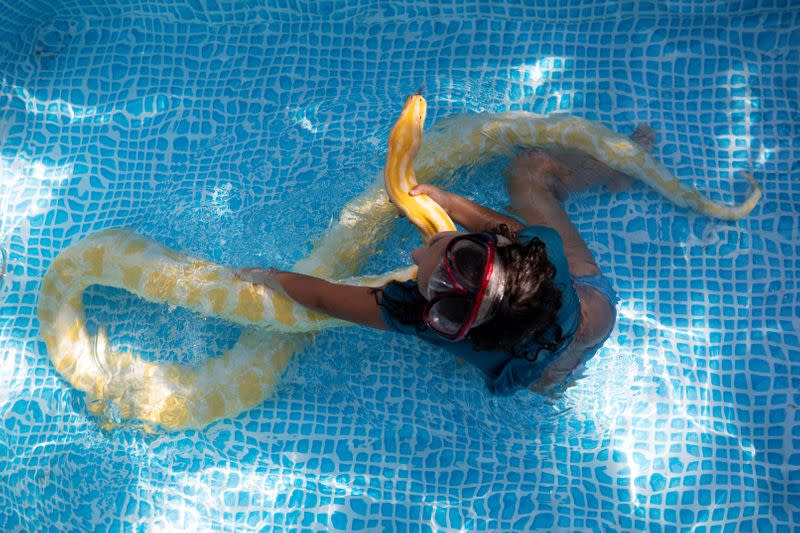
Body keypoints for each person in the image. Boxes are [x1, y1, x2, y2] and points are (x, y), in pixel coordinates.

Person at [237, 126, 655, 394]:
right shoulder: (542, 255)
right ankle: (614, 172)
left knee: (535, 370)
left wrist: (268, 276)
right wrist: (452, 202)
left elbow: (328, 299)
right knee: (529, 171)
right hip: (581, 317)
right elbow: (505, 226)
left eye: (423, 259)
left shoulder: (413, 313)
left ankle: (551, 375)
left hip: (518, 371)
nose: (417, 250)